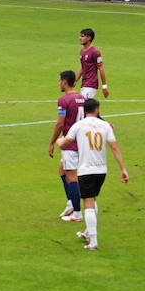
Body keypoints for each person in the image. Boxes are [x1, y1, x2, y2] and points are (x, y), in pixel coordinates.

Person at [56, 98, 129, 251]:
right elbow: (114, 148)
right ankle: (88, 231)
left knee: (88, 204)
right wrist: (123, 169)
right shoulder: (105, 125)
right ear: (97, 110)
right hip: (101, 171)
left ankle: (93, 241)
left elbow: (63, 144)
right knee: (93, 199)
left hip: (86, 170)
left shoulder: (78, 125)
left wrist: (59, 141)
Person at [47, 70, 88, 223]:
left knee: (72, 177)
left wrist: (52, 142)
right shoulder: (82, 98)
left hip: (70, 144)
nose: (59, 83)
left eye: (59, 81)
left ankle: (77, 212)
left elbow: (60, 124)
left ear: (64, 82)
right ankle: (71, 202)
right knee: (62, 169)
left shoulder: (63, 100)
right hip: (82, 142)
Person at [77, 28, 109, 100]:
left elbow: (101, 68)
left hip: (91, 84)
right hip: (84, 84)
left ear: (88, 38)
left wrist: (104, 87)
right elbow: (82, 66)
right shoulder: (82, 51)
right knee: (85, 108)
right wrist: (75, 80)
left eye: (82, 36)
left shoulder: (95, 52)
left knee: (84, 106)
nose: (79, 38)